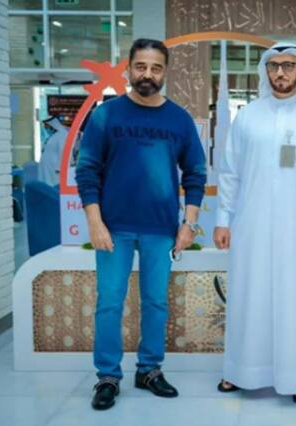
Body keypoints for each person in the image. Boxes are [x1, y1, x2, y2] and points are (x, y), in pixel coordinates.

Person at [76, 38, 207, 410]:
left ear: (165, 72)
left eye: (156, 68)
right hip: (113, 228)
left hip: (160, 229)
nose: (147, 74)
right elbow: (87, 171)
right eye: (141, 66)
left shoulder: (179, 119)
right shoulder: (107, 115)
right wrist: (95, 223)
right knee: (109, 303)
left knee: (155, 302)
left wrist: (189, 223)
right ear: (129, 69)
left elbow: (195, 173)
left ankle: (149, 370)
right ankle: (107, 376)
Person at [213, 42, 296, 403]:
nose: (280, 73)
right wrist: (223, 219)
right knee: (249, 296)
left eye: (288, 66)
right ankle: (241, 371)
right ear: (265, 71)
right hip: (251, 226)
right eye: (273, 66)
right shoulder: (248, 116)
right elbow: (231, 172)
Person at [37, 115, 68, 186]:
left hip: (55, 169)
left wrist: (60, 168)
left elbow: (63, 151)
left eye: (46, 126)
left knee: (54, 186)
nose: (45, 128)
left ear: (52, 125)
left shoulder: (62, 135)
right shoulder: (54, 135)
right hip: (48, 168)